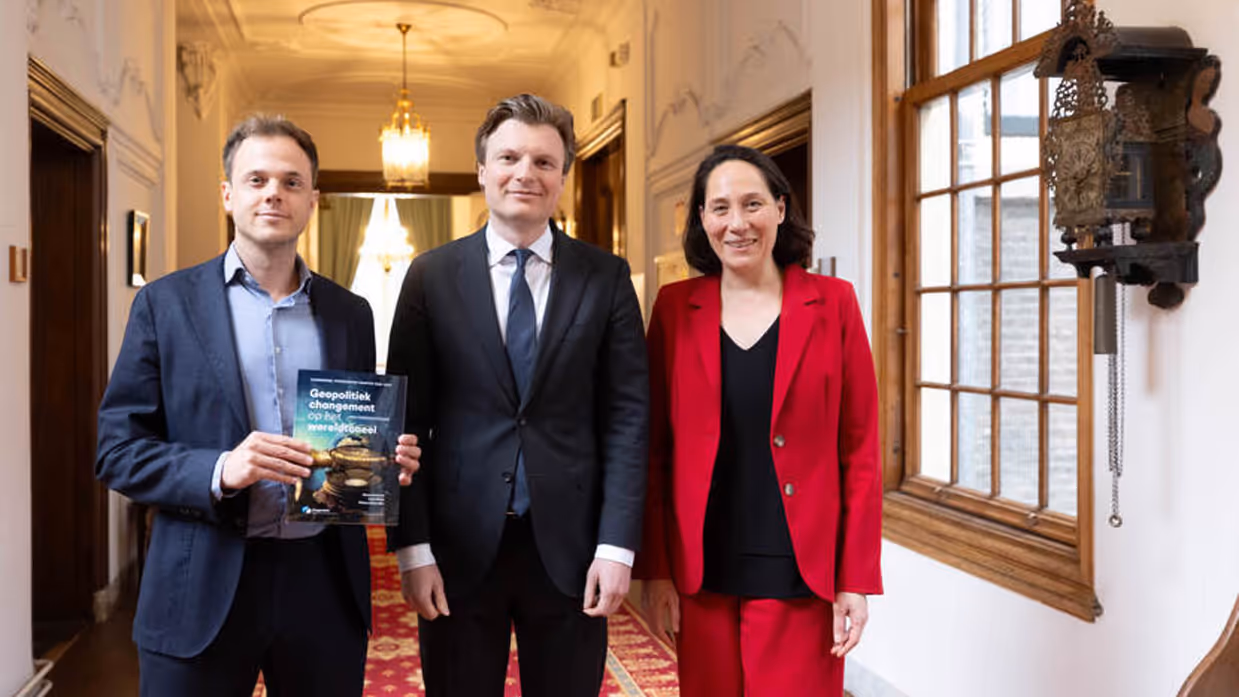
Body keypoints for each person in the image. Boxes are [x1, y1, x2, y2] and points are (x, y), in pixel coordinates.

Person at [96, 115, 422, 697]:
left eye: (292, 182)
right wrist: (223, 468)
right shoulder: (165, 306)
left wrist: (383, 458)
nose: (274, 192)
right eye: (257, 179)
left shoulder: (351, 312)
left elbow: (349, 445)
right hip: (201, 577)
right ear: (228, 194)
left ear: (313, 201)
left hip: (322, 583)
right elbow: (117, 453)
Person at [384, 93, 648, 697]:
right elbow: (405, 422)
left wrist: (617, 546)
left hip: (573, 550)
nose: (525, 173)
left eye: (543, 161)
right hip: (457, 546)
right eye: (508, 157)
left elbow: (628, 420)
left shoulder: (605, 277)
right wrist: (412, 548)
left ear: (563, 177)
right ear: (482, 171)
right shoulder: (429, 275)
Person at [635, 144, 883, 696]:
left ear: (779, 207)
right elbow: (653, 451)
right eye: (719, 208)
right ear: (701, 219)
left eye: (752, 204)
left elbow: (860, 449)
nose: (737, 223)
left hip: (802, 569)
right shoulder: (674, 310)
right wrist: (655, 571)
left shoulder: (834, 303)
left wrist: (856, 579)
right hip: (704, 570)